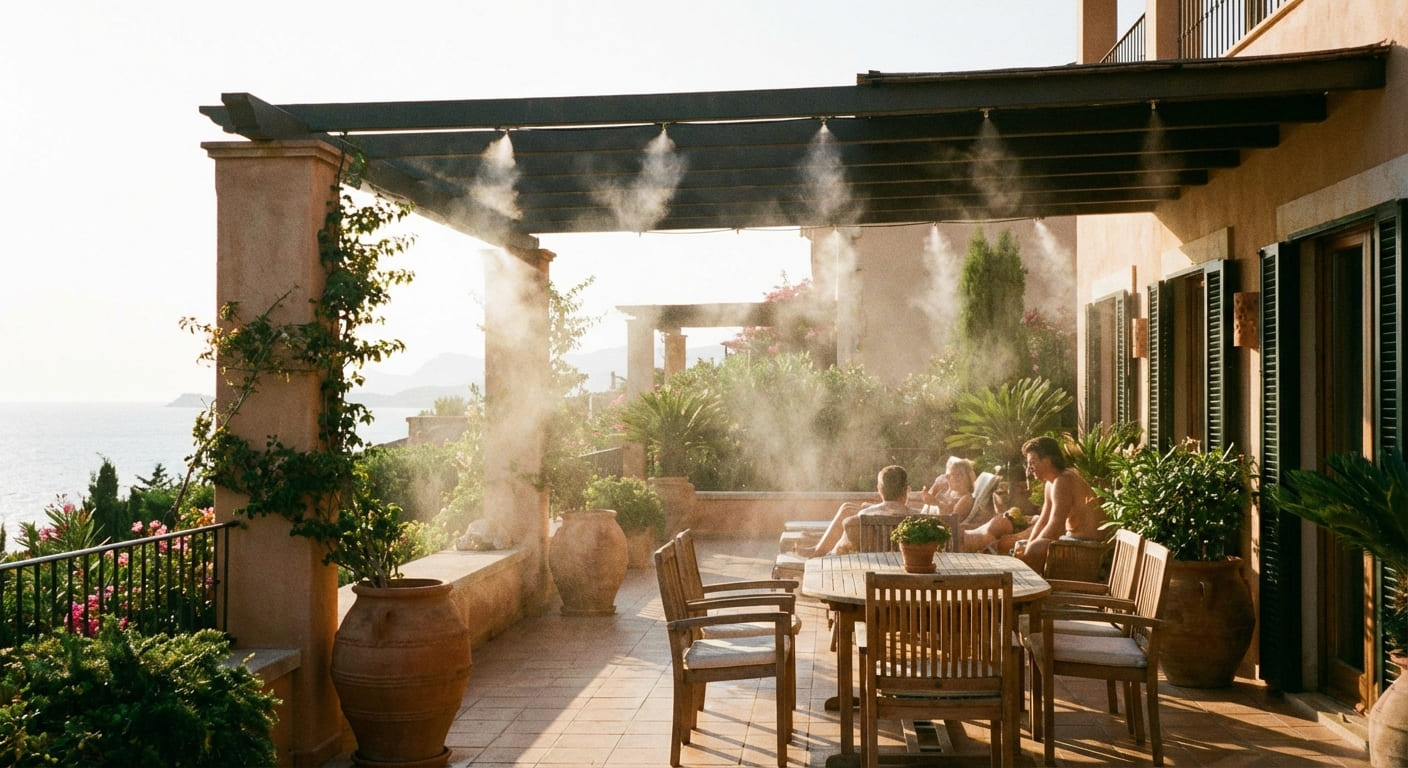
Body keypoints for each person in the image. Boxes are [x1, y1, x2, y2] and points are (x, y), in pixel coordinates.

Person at [956, 436, 1105, 573]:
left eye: (1032, 462)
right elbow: (1043, 520)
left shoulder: (1063, 481)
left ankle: (1032, 592)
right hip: (1072, 542)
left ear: (1046, 461)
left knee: (1033, 549)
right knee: (1025, 546)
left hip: (1087, 547)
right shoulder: (1051, 483)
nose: (1029, 469)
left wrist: (1031, 548)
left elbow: (1056, 525)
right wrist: (1028, 543)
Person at [802, 465, 916, 557]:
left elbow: (838, 551)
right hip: (906, 571)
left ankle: (817, 549)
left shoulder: (863, 516)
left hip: (868, 573)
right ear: (906, 490)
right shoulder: (919, 518)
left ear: (879, 489)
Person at [920, 456, 977, 521]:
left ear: (960, 478)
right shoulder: (952, 492)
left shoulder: (966, 499)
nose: (947, 477)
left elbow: (952, 520)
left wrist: (936, 503)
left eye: (951, 474)